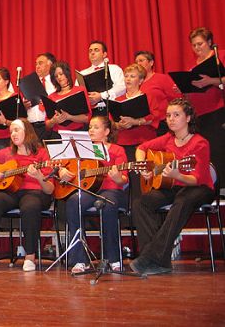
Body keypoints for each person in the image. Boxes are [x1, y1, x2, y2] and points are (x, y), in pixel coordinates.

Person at [131, 98, 214, 275]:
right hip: (173, 186)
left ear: (189, 118)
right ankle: (158, 260)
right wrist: (144, 166)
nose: (171, 119)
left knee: (182, 201)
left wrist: (178, 175)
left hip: (199, 187)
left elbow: (196, 179)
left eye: (176, 115)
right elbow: (141, 148)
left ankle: (149, 258)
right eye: (168, 115)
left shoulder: (200, 143)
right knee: (141, 203)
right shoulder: (168, 139)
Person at [0, 119, 55, 273]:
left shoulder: (43, 154)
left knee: (30, 206)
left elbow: (50, 189)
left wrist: (38, 176)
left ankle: (30, 257)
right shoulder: (7, 153)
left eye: (16, 130)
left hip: (35, 192)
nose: (13, 134)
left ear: (28, 132)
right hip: (12, 192)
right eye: (11, 131)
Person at [59, 116, 128, 273]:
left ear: (107, 132)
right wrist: (62, 170)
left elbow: (123, 179)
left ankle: (113, 258)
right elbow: (65, 165)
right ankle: (80, 259)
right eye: (90, 127)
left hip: (111, 190)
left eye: (96, 127)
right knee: (73, 202)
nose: (91, 130)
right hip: (89, 190)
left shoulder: (117, 150)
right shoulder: (82, 150)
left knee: (108, 206)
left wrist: (118, 177)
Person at [184, 27, 225, 187]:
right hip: (199, 114)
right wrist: (184, 87)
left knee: (219, 148)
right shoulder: (194, 65)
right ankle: (211, 187)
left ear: (209, 42)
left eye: (200, 44)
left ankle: (222, 188)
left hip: (217, 110)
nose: (197, 48)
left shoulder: (219, 56)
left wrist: (211, 81)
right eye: (194, 45)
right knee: (206, 152)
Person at [114, 64, 159, 204]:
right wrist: (118, 125)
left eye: (132, 76)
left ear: (140, 81)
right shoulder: (118, 100)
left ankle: (143, 214)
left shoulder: (148, 97)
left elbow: (156, 116)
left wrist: (136, 121)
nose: (128, 79)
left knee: (142, 178)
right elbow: (111, 123)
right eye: (126, 76)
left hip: (144, 142)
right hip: (123, 143)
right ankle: (129, 218)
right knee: (128, 179)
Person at [134, 50, 181, 135]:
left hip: (164, 124)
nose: (138, 64)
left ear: (151, 62)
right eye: (136, 62)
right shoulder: (136, 83)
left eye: (141, 60)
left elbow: (176, 99)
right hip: (145, 126)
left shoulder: (162, 79)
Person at [78, 41, 125, 115]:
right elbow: (78, 94)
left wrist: (101, 96)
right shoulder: (82, 73)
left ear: (104, 54)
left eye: (96, 50)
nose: (92, 53)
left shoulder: (114, 69)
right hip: (91, 113)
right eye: (90, 51)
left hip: (111, 110)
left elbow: (122, 88)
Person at [45, 61, 90, 135]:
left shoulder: (80, 90)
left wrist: (69, 117)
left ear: (67, 73)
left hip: (78, 132)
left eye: (61, 74)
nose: (59, 77)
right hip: (57, 134)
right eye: (56, 76)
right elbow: (47, 125)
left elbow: (87, 118)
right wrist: (53, 121)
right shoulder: (51, 97)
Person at [23, 52, 57, 140]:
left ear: (51, 64)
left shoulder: (56, 82)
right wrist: (24, 106)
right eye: (36, 64)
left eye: (40, 63)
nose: (37, 66)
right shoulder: (30, 83)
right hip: (32, 126)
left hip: (51, 125)